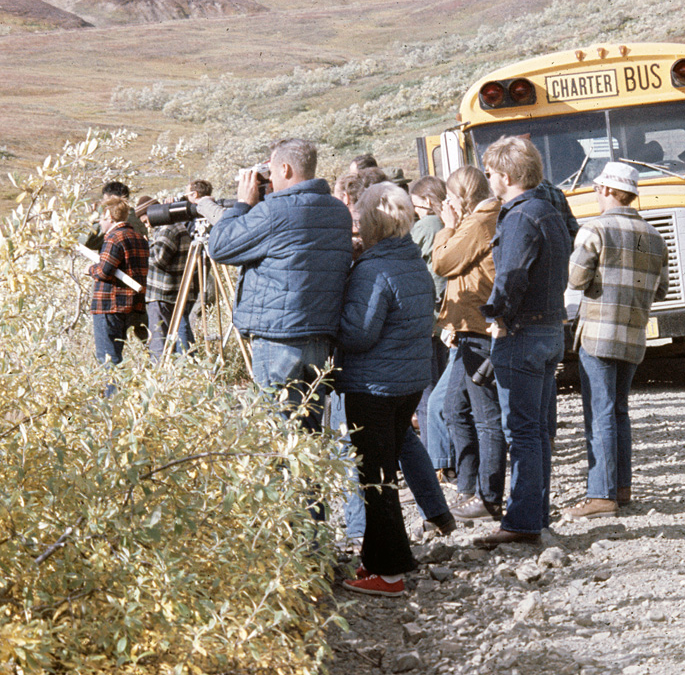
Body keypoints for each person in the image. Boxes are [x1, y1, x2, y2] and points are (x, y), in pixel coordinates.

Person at [333, 170, 454, 541]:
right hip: (408, 379)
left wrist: (330, 313)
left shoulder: (374, 270)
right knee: (401, 441)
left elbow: (358, 333)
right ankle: (434, 514)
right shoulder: (412, 260)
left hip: (374, 383)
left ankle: (369, 541)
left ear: (370, 224)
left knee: (369, 469)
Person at [208, 139, 354, 432]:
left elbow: (220, 246)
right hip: (320, 336)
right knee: (308, 433)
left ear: (285, 169)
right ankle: (310, 481)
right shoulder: (338, 212)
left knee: (278, 432)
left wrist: (242, 204)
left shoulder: (274, 212)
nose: (270, 181)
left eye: (271, 173)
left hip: (277, 337)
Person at [474, 136, 570, 548]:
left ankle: (523, 521)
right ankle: (535, 513)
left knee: (524, 431)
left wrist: (495, 315)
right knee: (537, 430)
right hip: (550, 328)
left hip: (522, 333)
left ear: (507, 176)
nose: (490, 180)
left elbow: (510, 276)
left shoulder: (517, 218)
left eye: (492, 174)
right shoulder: (550, 211)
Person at [563, 162, 669, 519]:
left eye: (597, 189)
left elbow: (575, 279)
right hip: (634, 334)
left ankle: (601, 495)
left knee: (600, 412)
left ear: (608, 190)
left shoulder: (594, 229)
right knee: (619, 410)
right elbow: (663, 289)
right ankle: (621, 488)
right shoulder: (654, 236)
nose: (595, 194)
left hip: (598, 335)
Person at [432, 166, 507, 522]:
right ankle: (469, 487)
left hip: (479, 331)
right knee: (455, 409)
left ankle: (488, 497)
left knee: (485, 417)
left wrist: (447, 225)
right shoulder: (482, 219)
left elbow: (443, 262)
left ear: (460, 197)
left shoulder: (477, 223)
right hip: (469, 330)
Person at [145, 180, 225, 361]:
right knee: (182, 321)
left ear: (195, 195)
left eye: (186, 194)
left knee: (180, 322)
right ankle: (191, 361)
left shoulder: (194, 218)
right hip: (193, 273)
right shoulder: (201, 216)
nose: (183, 198)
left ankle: (190, 361)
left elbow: (161, 256)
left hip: (189, 277)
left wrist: (166, 217)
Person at [408, 175, 452, 475]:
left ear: (424, 201)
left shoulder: (425, 226)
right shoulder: (449, 225)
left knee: (427, 396)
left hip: (428, 319)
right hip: (444, 320)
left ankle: (433, 460)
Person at [88, 194, 149, 380]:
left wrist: (90, 269)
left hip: (109, 305)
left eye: (101, 218)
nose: (100, 222)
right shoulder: (138, 237)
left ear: (110, 218)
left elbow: (104, 271)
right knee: (116, 356)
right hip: (131, 305)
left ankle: (112, 402)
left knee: (108, 359)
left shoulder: (114, 238)